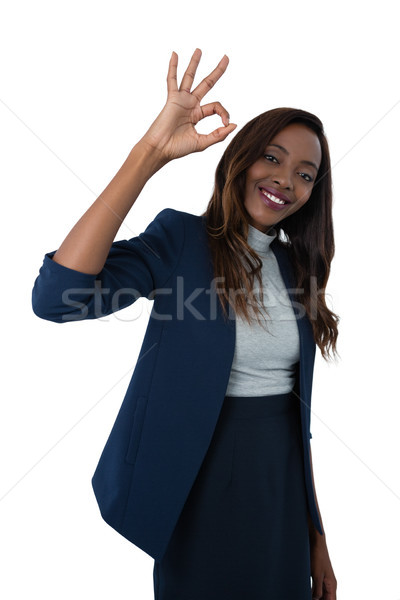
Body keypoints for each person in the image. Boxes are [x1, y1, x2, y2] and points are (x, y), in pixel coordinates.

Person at [32, 48, 338, 599]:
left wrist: (317, 535)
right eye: (272, 158)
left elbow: (300, 420)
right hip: (194, 485)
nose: (285, 180)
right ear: (241, 158)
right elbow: (59, 297)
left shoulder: (298, 268)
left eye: (305, 173)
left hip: (281, 495)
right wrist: (150, 152)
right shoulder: (181, 241)